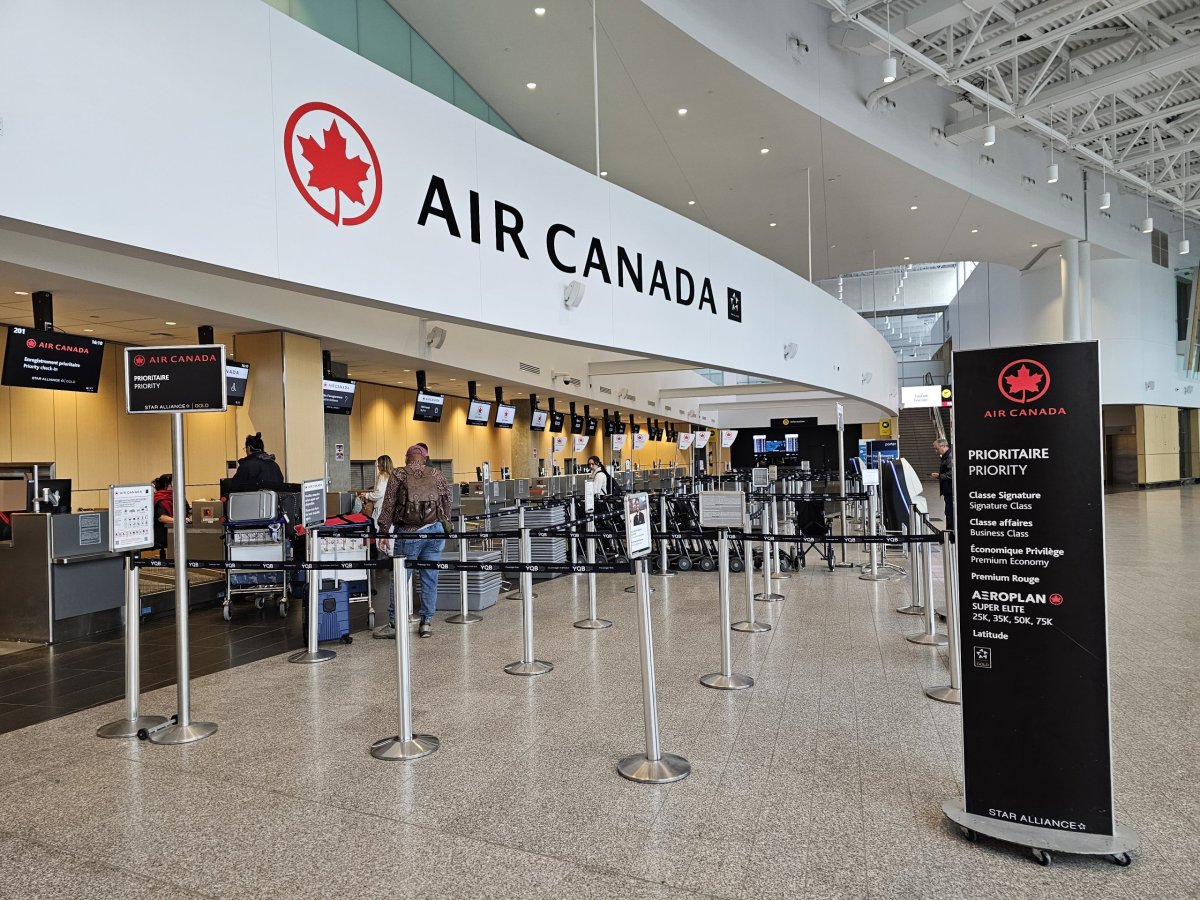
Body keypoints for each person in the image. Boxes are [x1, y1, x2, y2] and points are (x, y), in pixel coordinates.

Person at [374, 444, 450, 639]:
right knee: (430, 576)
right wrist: (444, 524)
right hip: (435, 532)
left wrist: (383, 531)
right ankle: (426, 622)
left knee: (401, 577)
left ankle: (394, 624)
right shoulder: (437, 474)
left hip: (409, 532)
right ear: (424, 458)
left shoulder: (399, 474)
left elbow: (389, 504)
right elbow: (447, 502)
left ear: (407, 458)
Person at [152, 473, 190, 557]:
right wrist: (179, 520)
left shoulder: (179, 496)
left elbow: (188, 511)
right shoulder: (160, 498)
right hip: (164, 532)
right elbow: (161, 518)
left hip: (177, 529)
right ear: (167, 485)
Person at [357, 454, 393, 530]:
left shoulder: (383, 475)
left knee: (377, 532)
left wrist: (367, 495)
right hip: (389, 509)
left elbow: (379, 493)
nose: (377, 466)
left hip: (380, 509)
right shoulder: (392, 476)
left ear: (382, 464)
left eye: (379, 464)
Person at [931, 438, 954, 531]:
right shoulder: (945, 456)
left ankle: (951, 535)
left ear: (943, 446)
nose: (936, 451)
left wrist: (939, 476)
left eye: (936, 448)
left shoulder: (949, 457)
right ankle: (949, 533)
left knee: (950, 513)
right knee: (948, 513)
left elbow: (952, 473)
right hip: (947, 491)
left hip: (950, 491)